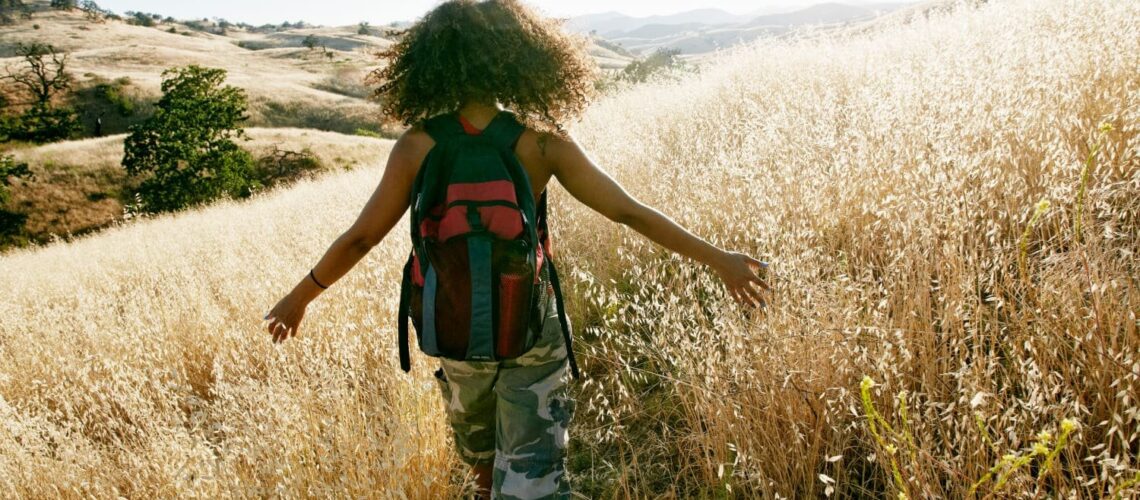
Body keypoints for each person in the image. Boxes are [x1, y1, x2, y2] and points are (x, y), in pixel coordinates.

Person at [264, 1, 770, 498]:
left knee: (480, 457)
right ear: (521, 55)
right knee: (533, 473)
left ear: (431, 60)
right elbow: (628, 211)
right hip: (532, 324)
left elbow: (361, 237)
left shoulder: (418, 145)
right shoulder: (542, 142)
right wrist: (719, 259)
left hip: (455, 325)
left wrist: (300, 297)